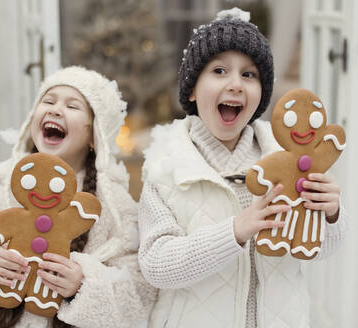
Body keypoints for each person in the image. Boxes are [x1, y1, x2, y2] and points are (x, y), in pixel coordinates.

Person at [138, 8, 347, 328]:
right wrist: (233, 231)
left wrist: (330, 214)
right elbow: (157, 266)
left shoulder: (288, 161)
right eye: (220, 71)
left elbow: (318, 251)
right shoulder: (166, 169)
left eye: (249, 75)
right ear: (193, 89)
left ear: (262, 95)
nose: (236, 84)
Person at [0, 66, 156, 328]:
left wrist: (83, 284)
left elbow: (139, 295)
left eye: (73, 106)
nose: (55, 109)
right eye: (48, 101)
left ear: (94, 135)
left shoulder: (113, 206)